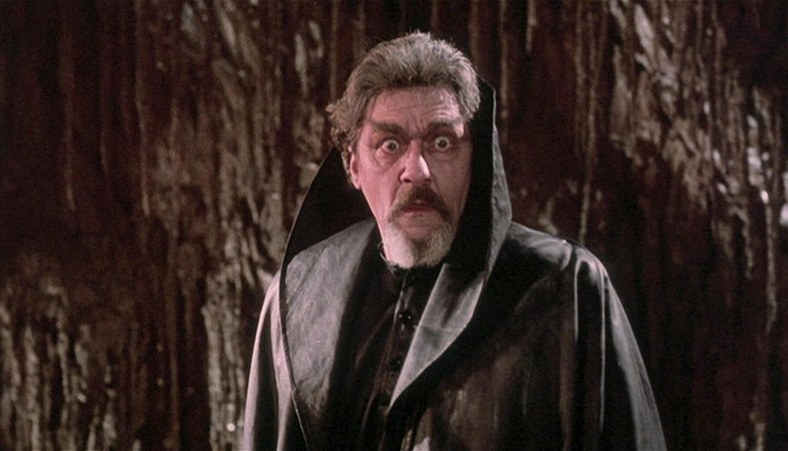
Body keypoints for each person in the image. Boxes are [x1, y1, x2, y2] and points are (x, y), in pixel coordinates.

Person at [243, 32, 666, 450]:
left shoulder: (564, 288)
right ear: (353, 165)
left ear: (474, 158)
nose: (417, 170)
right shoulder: (300, 294)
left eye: (442, 143)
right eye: (390, 145)